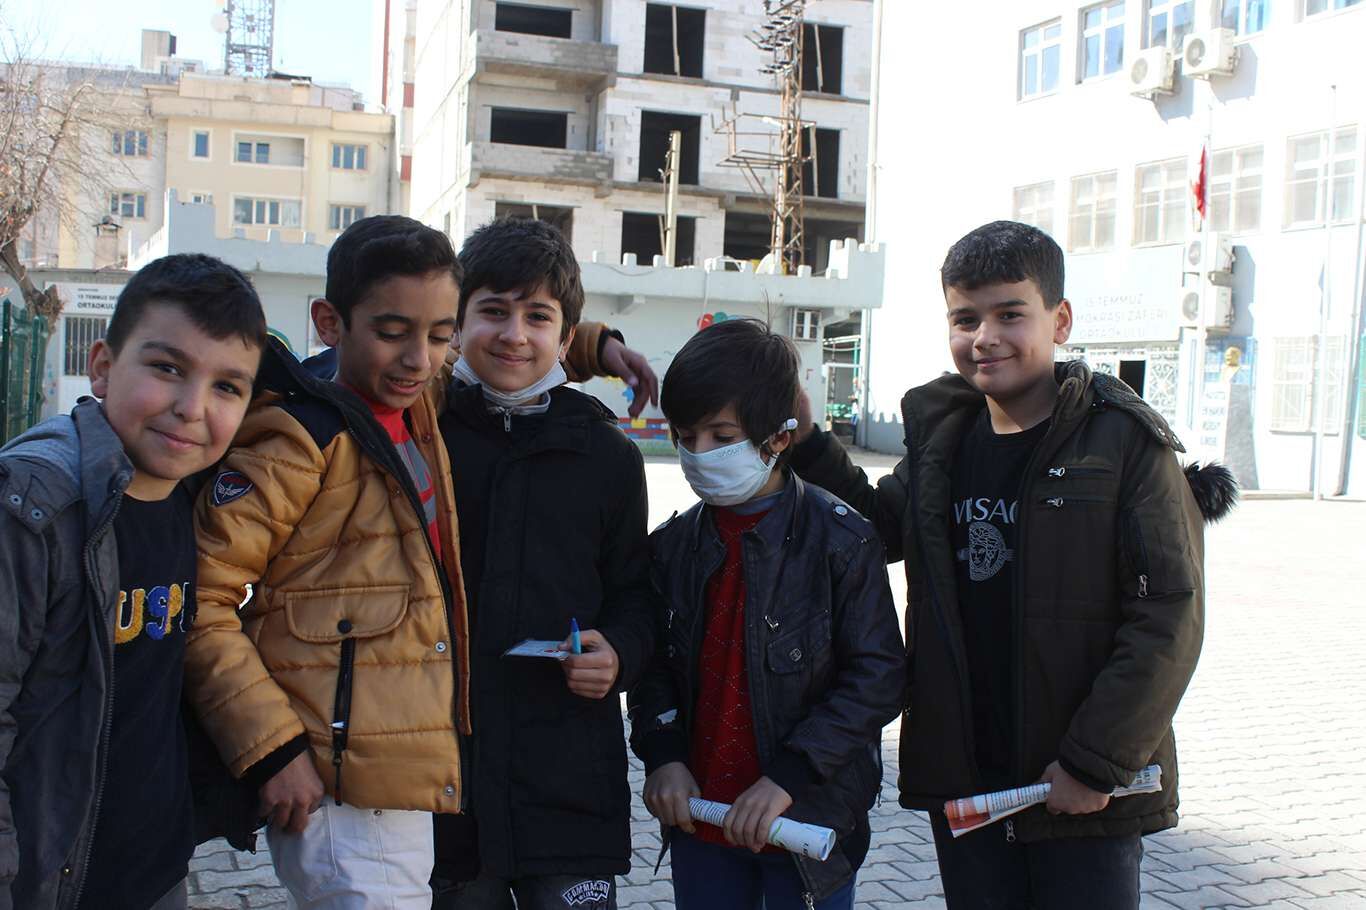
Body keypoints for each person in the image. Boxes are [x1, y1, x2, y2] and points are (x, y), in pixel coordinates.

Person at [185, 215, 639, 908]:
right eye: (394, 332)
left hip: (434, 776)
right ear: (330, 323)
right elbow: (201, 601)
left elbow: (508, 349)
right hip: (347, 776)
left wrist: (597, 345)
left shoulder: (425, 407)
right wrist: (272, 749)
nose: (417, 358)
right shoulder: (316, 434)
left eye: (435, 336)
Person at [786, 221, 1238, 909]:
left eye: (1009, 314)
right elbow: (876, 530)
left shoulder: (1124, 443)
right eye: (965, 319)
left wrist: (1095, 761)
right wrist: (809, 440)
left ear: (1060, 320)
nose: (985, 337)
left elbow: (1168, 614)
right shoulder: (945, 441)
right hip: (967, 775)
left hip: (1078, 786)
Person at [0, 254, 267, 910]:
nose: (191, 408)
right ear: (101, 367)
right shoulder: (36, 508)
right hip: (56, 880)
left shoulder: (193, 495)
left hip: (156, 866)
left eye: (227, 387)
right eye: (167, 368)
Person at [628, 318, 904, 910]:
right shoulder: (672, 546)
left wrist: (789, 776)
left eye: (721, 435)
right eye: (685, 435)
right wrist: (664, 755)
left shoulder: (843, 540)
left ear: (778, 438)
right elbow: (654, 665)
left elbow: (878, 677)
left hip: (805, 824)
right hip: (701, 819)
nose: (699, 454)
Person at [430, 217, 656, 910]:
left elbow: (637, 595)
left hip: (567, 783)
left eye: (538, 317)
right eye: (492, 311)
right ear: (456, 324)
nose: (514, 335)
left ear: (565, 339)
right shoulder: (421, 434)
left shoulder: (608, 457)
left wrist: (619, 653)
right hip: (443, 789)